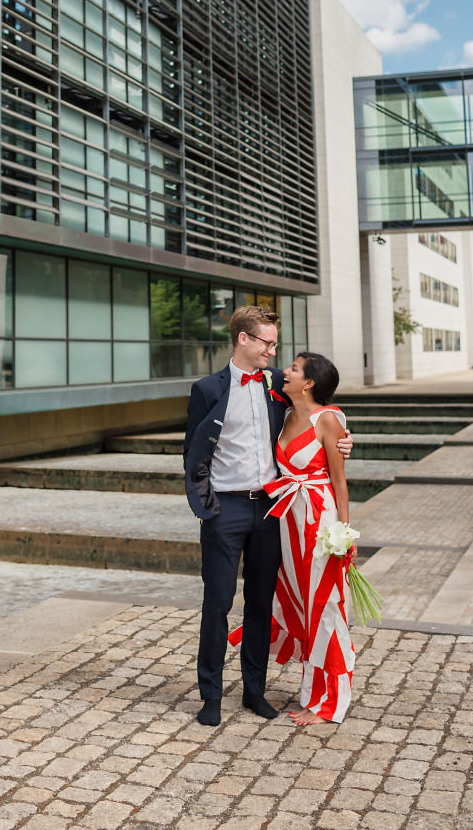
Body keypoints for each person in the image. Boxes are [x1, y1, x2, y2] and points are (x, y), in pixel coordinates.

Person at [183, 306, 352, 726]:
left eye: (275, 344)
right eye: (267, 342)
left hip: (271, 509)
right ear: (243, 339)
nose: (272, 351)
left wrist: (346, 443)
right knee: (217, 604)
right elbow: (192, 453)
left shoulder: (278, 384)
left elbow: (319, 411)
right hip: (226, 508)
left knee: (261, 602)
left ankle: (254, 692)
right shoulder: (207, 389)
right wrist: (206, 507)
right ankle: (210, 696)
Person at [263, 350, 355, 725]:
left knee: (325, 607)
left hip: (320, 523)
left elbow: (339, 479)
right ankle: (310, 693)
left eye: (294, 369)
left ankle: (331, 701)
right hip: (288, 524)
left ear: (310, 381)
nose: (285, 371)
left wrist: (344, 533)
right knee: (302, 607)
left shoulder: (328, 420)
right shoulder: (284, 414)